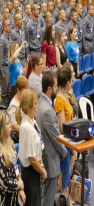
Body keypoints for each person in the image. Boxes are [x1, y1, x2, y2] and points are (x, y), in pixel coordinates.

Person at [36, 71, 67, 206]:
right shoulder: (47, 110)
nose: (57, 89)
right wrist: (64, 152)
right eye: (55, 86)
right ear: (49, 89)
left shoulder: (40, 102)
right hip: (50, 159)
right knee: (48, 200)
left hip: (46, 157)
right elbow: (56, 138)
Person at [16, 89, 47, 206]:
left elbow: (39, 145)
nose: (37, 106)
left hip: (35, 170)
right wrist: (43, 171)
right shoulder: (27, 127)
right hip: (29, 174)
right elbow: (32, 159)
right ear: (29, 107)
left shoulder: (32, 121)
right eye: (35, 104)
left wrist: (41, 164)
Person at [0, 110, 26, 206]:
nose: (10, 125)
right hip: (5, 200)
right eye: (7, 124)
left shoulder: (10, 141)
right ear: (0, 128)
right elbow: (4, 182)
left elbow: (17, 167)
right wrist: (19, 185)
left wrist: (20, 189)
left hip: (16, 196)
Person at [54, 68, 74, 199]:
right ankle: (61, 199)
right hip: (64, 143)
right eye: (71, 80)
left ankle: (65, 198)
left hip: (70, 141)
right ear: (67, 83)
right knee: (63, 176)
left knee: (66, 175)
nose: (72, 82)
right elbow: (62, 128)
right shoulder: (59, 100)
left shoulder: (65, 96)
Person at [6, 76, 29, 144]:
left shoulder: (23, 100)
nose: (26, 93)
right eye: (25, 91)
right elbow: (14, 126)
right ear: (18, 89)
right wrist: (29, 131)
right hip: (20, 137)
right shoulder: (13, 106)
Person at [0, 19, 11, 109]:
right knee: (4, 92)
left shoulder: (8, 37)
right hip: (4, 68)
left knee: (8, 91)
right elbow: (0, 58)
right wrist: (1, 73)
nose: (10, 26)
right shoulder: (2, 39)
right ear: (4, 27)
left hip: (9, 68)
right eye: (8, 25)